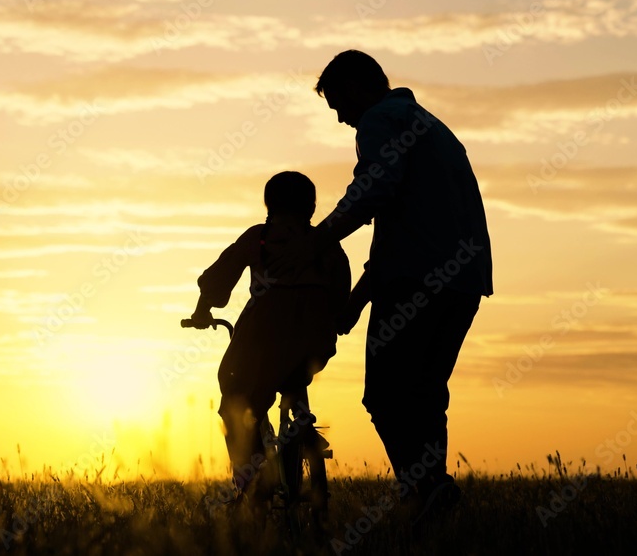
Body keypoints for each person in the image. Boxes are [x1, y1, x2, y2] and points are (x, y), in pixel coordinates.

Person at [271, 50, 493, 519]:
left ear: (355, 87)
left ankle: (423, 490)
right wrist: (358, 298)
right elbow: (404, 227)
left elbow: (372, 192)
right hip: (463, 282)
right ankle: (433, 495)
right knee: (425, 391)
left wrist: (315, 240)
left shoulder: (380, 119)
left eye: (337, 104)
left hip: (417, 283)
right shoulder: (430, 126)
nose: (340, 119)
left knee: (388, 394)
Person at [188, 171, 351, 500]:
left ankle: (252, 474)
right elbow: (341, 292)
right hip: (313, 344)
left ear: (269, 203)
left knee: (235, 391)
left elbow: (218, 279)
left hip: (261, 342)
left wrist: (202, 311)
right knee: (294, 378)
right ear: (312, 205)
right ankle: (303, 427)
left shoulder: (260, 238)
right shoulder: (326, 243)